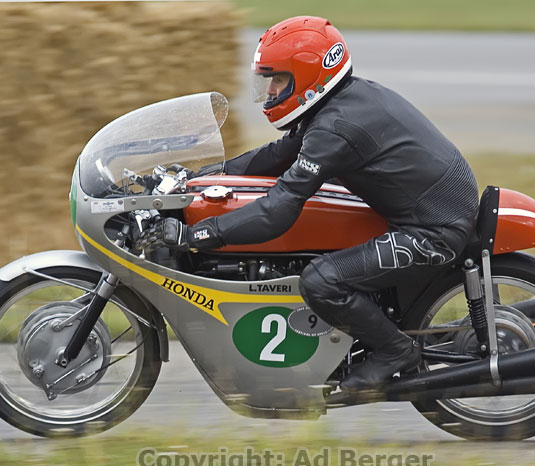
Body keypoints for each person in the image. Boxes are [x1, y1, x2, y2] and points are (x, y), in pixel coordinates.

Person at [144, 16, 479, 391]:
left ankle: (395, 351)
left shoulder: (335, 128)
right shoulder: (342, 102)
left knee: (321, 280)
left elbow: (277, 211)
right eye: (266, 80)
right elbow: (276, 155)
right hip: (426, 209)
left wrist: (198, 234)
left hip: (432, 232)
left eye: (278, 79)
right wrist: (196, 178)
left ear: (308, 78)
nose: (269, 90)